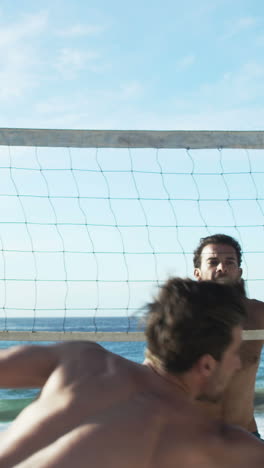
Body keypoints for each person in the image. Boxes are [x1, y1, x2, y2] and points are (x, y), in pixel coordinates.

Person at [0, 278, 263, 468]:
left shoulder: (82, 358)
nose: (238, 365)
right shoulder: (199, 438)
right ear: (206, 365)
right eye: (234, 353)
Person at [193, 233, 264, 439]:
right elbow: (152, 373)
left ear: (239, 271)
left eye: (229, 262)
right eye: (213, 262)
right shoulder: (181, 318)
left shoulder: (258, 314)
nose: (222, 268)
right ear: (198, 273)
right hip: (192, 436)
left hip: (245, 436)